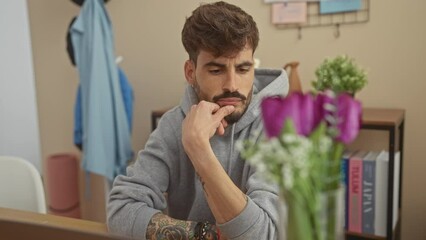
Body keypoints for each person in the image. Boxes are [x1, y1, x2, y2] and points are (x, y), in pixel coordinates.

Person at [107, 2, 289, 239]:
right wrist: (203, 234)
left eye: (243, 69)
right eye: (216, 70)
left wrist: (199, 150)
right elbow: (120, 211)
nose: (232, 85)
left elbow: (263, 234)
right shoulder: (174, 125)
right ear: (191, 72)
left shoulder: (277, 124)